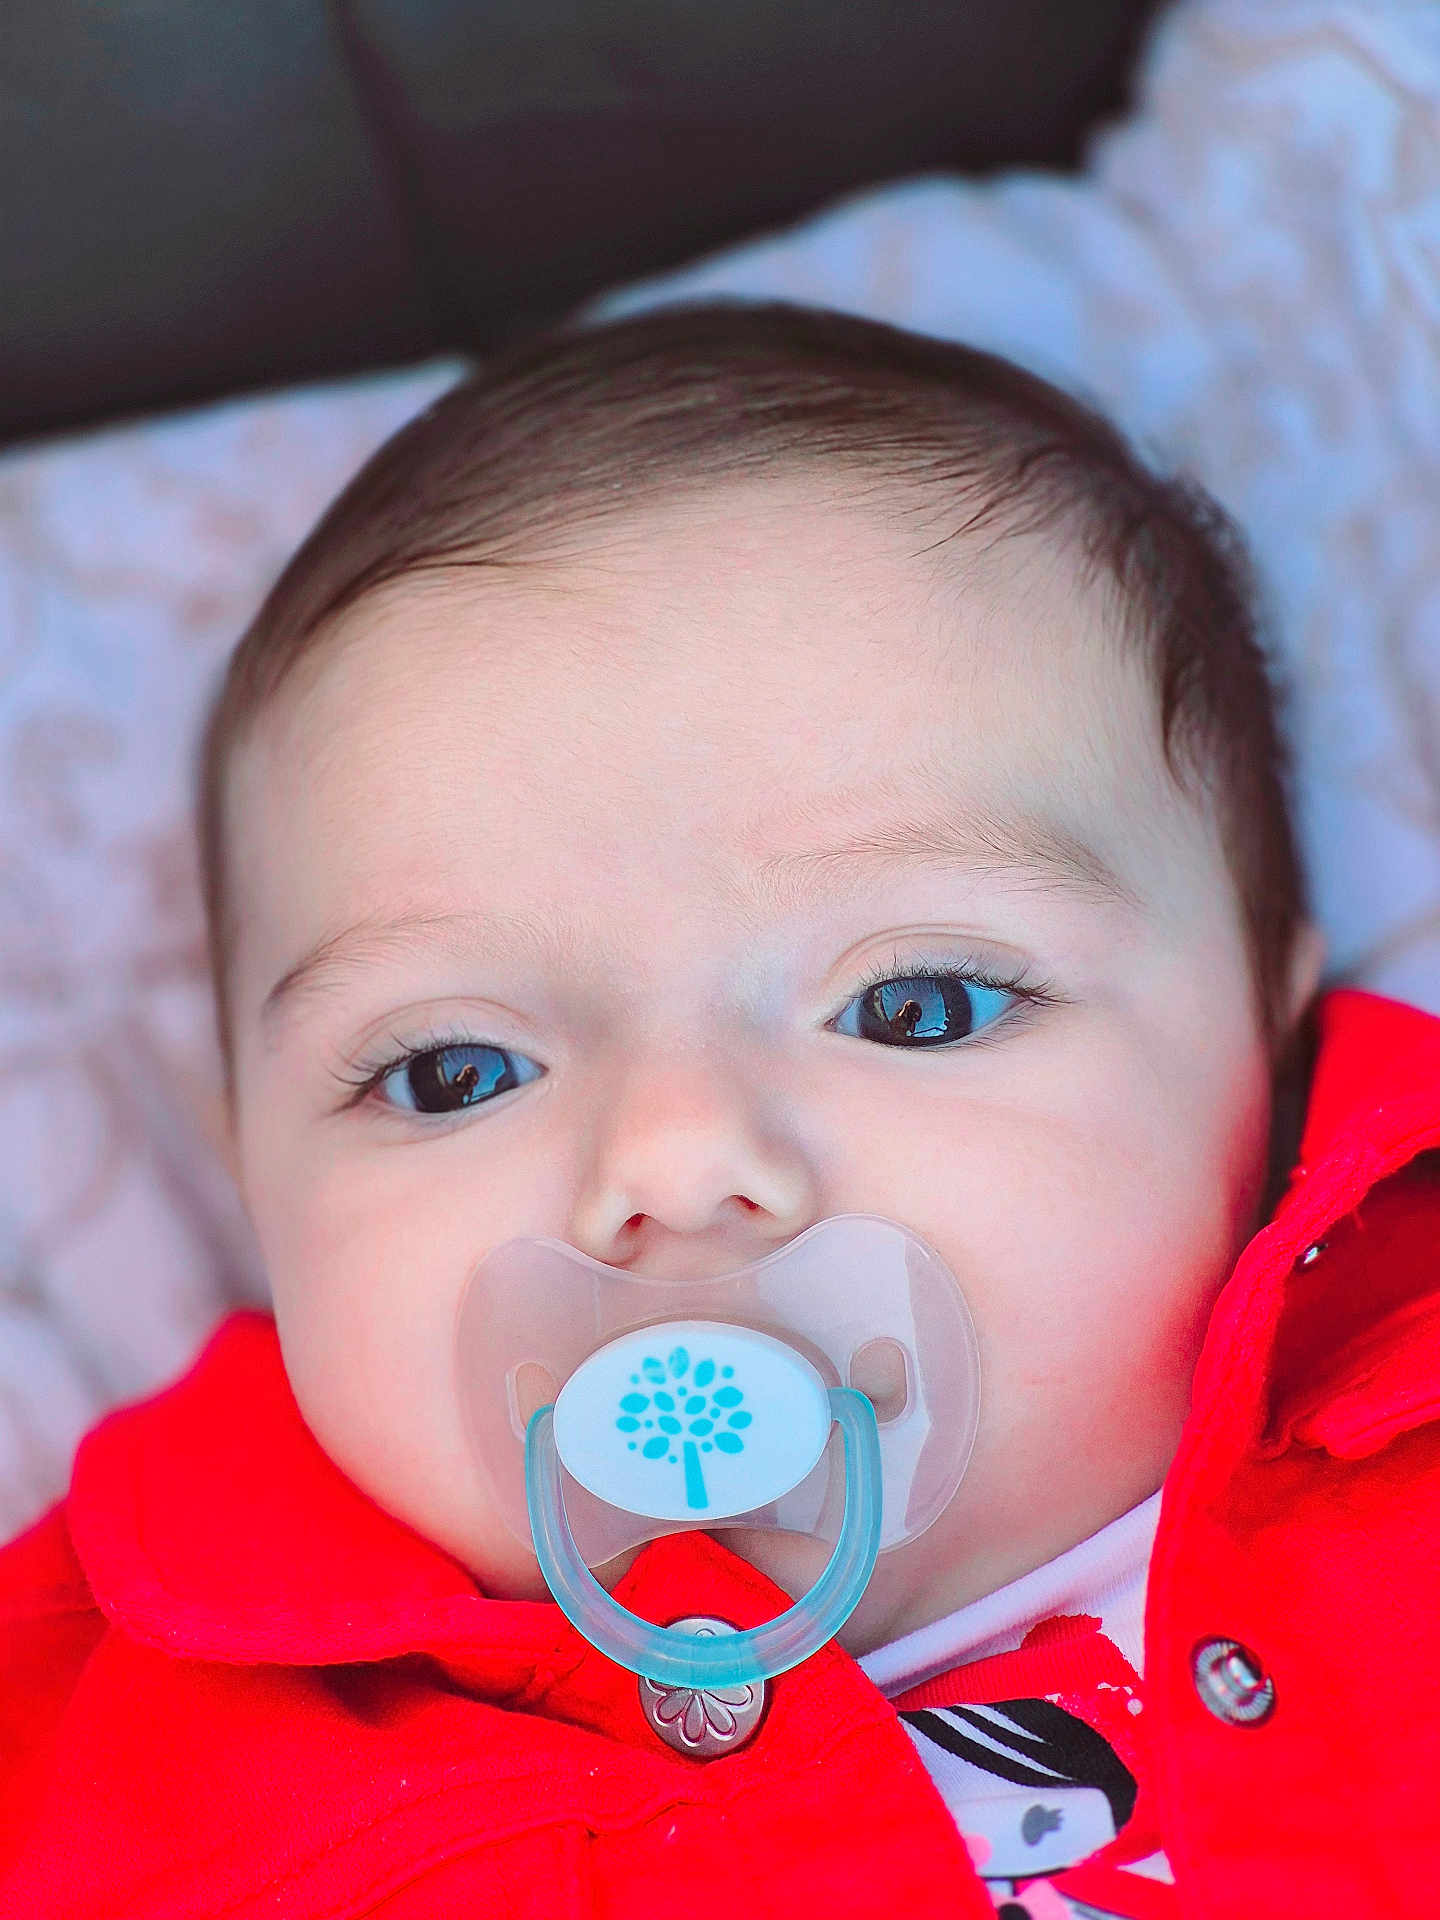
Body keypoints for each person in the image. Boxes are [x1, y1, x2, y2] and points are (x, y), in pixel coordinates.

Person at [2, 302, 1438, 1919]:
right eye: (453, 1073)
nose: (677, 1162)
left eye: (917, 1008)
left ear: (1267, 1029)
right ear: (245, 1166)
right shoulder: (102, 1768)